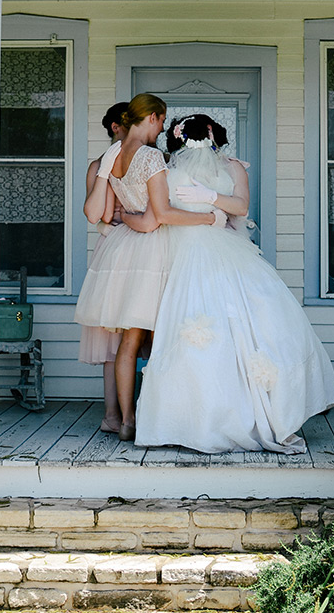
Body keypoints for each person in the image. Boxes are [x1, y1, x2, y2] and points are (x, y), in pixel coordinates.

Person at [131, 114, 334, 454]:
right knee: (197, 334)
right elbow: (160, 213)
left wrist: (211, 196)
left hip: (226, 251)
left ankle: (255, 415)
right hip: (186, 254)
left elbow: (241, 208)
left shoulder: (233, 167)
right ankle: (193, 422)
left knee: (255, 326)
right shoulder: (167, 169)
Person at [75, 94, 226, 442]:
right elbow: (162, 214)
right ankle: (165, 416)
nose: (162, 128)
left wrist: (130, 217)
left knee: (129, 341)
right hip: (157, 249)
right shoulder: (150, 155)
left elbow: (104, 214)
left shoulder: (112, 157)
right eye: (162, 121)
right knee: (166, 336)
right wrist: (210, 217)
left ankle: (126, 421)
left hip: (123, 251)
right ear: (154, 118)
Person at [76, 102, 130, 434]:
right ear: (115, 127)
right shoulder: (99, 164)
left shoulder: (155, 160)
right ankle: (112, 414)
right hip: (114, 250)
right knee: (113, 334)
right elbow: (97, 215)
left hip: (154, 245)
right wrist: (105, 170)